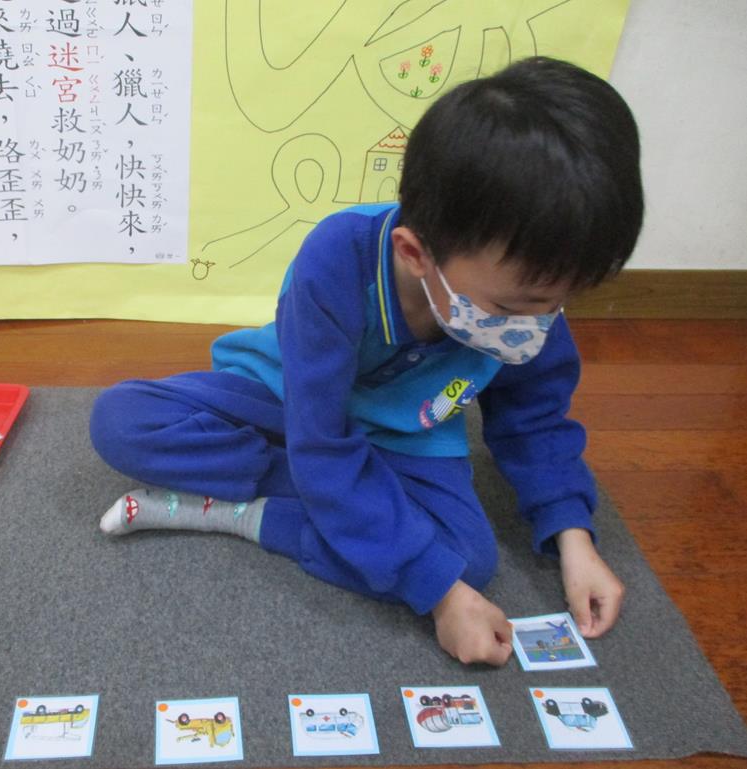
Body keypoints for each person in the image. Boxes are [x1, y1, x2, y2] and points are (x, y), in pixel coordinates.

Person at [89, 56, 643, 666]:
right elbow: (321, 437)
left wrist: (572, 536)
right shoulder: (337, 258)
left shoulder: (530, 296)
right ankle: (348, 502)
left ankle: (250, 514)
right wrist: (438, 594)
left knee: (467, 561)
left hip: (408, 435)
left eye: (559, 303)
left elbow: (535, 419)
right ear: (414, 253)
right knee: (122, 420)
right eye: (513, 307)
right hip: (292, 399)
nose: (539, 322)